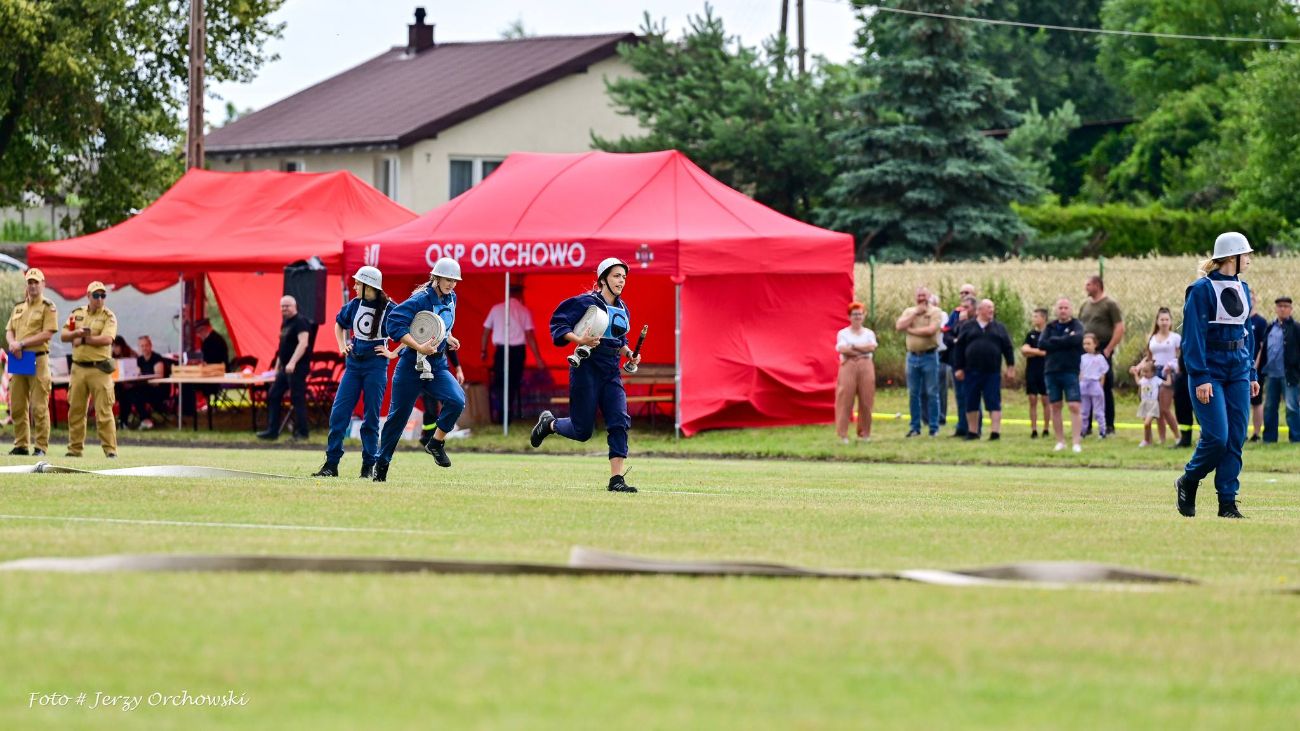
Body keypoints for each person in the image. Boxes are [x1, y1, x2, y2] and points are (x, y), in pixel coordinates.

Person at [530, 257, 642, 493]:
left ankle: (616, 480)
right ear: (603, 279)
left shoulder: (624, 308)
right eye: (616, 276)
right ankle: (549, 424)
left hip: (611, 371)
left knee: (619, 421)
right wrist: (579, 340)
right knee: (582, 432)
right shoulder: (586, 302)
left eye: (624, 276)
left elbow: (620, 340)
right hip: (586, 367)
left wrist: (630, 353)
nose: (621, 280)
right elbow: (558, 323)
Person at [1176, 231, 1259, 519]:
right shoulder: (1201, 290)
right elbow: (1192, 337)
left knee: (1235, 437)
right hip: (1210, 368)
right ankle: (1189, 478)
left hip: (1238, 368)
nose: (1249, 258)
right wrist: (1199, 376)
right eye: (1245, 254)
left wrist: (1251, 372)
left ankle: (1227, 503)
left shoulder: (1243, 288)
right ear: (1232, 257)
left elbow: (1246, 333)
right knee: (1217, 437)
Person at [372, 257, 467, 482]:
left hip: (437, 364)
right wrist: (418, 346)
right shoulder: (420, 299)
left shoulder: (452, 298)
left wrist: (450, 338)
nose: (452, 284)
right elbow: (394, 323)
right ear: (436, 277)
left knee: (456, 400)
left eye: (455, 280)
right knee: (398, 418)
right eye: (447, 279)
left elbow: (439, 324)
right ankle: (381, 464)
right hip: (410, 366)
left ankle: (435, 442)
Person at [314, 266, 398, 478]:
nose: (354, 286)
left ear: (369, 287)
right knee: (338, 415)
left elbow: (412, 330)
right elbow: (339, 324)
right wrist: (342, 346)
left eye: (358, 283)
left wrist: (393, 353)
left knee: (371, 418)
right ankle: (331, 466)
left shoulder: (390, 308)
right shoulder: (353, 305)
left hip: (376, 367)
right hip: (353, 366)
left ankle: (368, 466)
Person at [61, 281, 119, 458]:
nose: (100, 299)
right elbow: (64, 335)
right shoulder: (76, 314)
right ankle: (74, 449)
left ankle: (110, 451)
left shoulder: (109, 316)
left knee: (104, 411)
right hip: (78, 369)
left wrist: (84, 340)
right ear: (88, 296)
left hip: (99, 369)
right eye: (96, 295)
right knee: (76, 411)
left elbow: (108, 339)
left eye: (103, 295)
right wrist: (76, 334)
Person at [5, 267, 57, 456]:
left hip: (37, 358)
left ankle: (40, 447)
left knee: (39, 406)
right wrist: (12, 344)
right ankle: (21, 444)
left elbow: (47, 333)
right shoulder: (18, 308)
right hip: (18, 358)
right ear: (26, 285)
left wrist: (21, 343)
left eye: (36, 282)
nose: (33, 285)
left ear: (43, 284)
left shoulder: (48, 307)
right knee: (17, 404)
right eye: (30, 282)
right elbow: (9, 330)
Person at [481, 280, 546, 422]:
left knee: (500, 383)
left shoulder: (496, 308)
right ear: (519, 294)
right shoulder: (524, 310)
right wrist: (538, 358)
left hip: (501, 351)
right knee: (513, 383)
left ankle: (501, 413)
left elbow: (486, 331)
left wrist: (483, 350)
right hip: (517, 352)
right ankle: (509, 412)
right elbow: (530, 336)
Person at [952, 299, 1014, 440]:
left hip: (992, 372)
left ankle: (995, 432)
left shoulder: (999, 328)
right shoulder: (968, 327)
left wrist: (1011, 366)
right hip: (971, 371)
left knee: (993, 401)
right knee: (971, 401)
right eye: (988, 308)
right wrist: (958, 368)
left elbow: (1008, 348)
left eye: (992, 307)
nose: (991, 310)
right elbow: (959, 348)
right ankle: (973, 432)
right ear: (979, 310)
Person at [256, 296, 312, 440]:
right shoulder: (285, 323)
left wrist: (293, 362)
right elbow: (282, 347)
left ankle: (302, 432)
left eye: (287, 306)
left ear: (295, 306)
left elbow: (303, 343)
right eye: (282, 306)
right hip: (284, 368)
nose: (284, 309)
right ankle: (272, 431)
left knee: (297, 398)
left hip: (297, 367)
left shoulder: (301, 321)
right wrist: (277, 367)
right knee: (273, 395)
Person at [895, 286, 945, 437]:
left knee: (932, 392)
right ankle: (915, 427)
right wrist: (915, 314)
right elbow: (899, 326)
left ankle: (933, 427)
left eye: (924, 295)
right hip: (912, 357)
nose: (921, 298)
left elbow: (930, 331)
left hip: (929, 356)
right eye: (919, 296)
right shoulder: (909, 311)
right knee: (913, 393)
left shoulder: (935, 312)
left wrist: (910, 331)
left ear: (929, 297)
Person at [1079, 275, 1125, 435]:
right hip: (1086, 350)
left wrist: (1108, 349)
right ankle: (1087, 426)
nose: (1086, 287)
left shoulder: (1109, 304)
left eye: (1089, 284)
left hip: (1103, 349)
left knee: (1103, 387)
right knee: (1085, 387)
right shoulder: (1085, 305)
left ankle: (1108, 425)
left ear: (1097, 285)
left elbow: (1119, 328)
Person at [1041, 298, 1085, 453]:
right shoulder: (1050, 327)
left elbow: (1077, 339)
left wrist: (1055, 342)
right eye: (1060, 307)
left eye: (1066, 307)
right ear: (1056, 310)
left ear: (1070, 309)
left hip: (1070, 370)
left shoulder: (1077, 325)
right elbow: (1042, 343)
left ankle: (1076, 442)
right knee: (1055, 406)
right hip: (1051, 370)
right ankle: (1060, 441)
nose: (1063, 310)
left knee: (1074, 405)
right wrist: (1065, 341)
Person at [1256, 296, 1300, 444]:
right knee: (1269, 407)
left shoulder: (1296, 328)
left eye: (1286, 306)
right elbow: (1264, 350)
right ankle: (1269, 439)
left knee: (1292, 407)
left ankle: (1296, 438)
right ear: (1275, 308)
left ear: (1291, 309)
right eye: (1280, 306)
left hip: (1289, 375)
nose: (1282, 309)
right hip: (1271, 375)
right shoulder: (1270, 328)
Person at [834, 301, 877, 443]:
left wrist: (853, 346)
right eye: (854, 314)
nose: (857, 317)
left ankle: (865, 433)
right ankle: (843, 434)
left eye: (860, 314)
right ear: (849, 317)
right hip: (848, 365)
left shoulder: (869, 333)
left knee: (866, 399)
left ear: (863, 316)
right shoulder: (843, 333)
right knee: (845, 398)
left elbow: (871, 347)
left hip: (866, 364)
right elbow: (842, 349)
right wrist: (861, 348)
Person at [944, 294, 978, 436]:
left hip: (973, 364)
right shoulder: (956, 319)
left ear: (974, 309)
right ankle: (962, 426)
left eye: (966, 307)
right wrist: (955, 340)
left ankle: (975, 428)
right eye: (962, 306)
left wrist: (963, 325)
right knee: (960, 395)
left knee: (973, 396)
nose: (963, 310)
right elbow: (947, 335)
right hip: (957, 363)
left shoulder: (978, 322)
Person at [1147, 307, 1182, 444]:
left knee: (1165, 408)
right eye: (1161, 319)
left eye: (1167, 319)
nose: (1164, 322)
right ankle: (1162, 439)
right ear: (1157, 321)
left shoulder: (1175, 338)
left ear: (1170, 321)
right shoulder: (1152, 338)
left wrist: (1173, 366)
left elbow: (1180, 357)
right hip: (1154, 373)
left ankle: (1178, 436)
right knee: (1157, 410)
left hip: (1168, 373)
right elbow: (1149, 357)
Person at [127, 335, 169, 429]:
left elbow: (158, 378)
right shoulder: (139, 360)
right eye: (141, 346)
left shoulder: (157, 359)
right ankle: (124, 421)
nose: (144, 348)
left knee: (135, 393)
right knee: (128, 392)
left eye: (146, 345)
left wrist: (143, 380)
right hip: (143, 388)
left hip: (158, 390)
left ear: (151, 346)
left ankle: (145, 419)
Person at [1022, 308, 1049, 438]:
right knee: (1032, 399)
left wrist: (1032, 352)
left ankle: (1046, 428)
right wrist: (1038, 351)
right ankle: (1033, 429)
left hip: (1045, 370)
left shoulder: (1049, 334)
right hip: (1032, 371)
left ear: (1043, 318)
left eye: (1036, 316)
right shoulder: (1030, 334)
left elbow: (1048, 353)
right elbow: (1024, 350)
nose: (1034, 319)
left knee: (1046, 399)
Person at [1130, 359, 1168, 447]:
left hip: (1153, 404)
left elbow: (1167, 383)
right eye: (1143, 371)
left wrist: (1169, 374)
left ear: (1153, 372)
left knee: (1147, 423)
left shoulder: (1156, 379)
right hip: (1144, 404)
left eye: (1146, 372)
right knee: (1147, 424)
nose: (1144, 374)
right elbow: (1138, 382)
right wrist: (1135, 374)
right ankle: (1149, 440)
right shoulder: (1143, 379)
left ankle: (1146, 440)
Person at [1079, 333, 1109, 439]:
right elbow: (1080, 371)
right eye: (1084, 344)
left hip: (1095, 383)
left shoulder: (1100, 358)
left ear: (1095, 344)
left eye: (1089, 343)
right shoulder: (1082, 358)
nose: (1086, 346)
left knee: (1098, 410)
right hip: (1084, 384)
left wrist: (1101, 385)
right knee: (1084, 410)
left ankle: (1102, 431)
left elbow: (1103, 372)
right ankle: (1082, 430)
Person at [1248, 304, 1268, 441]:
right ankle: (1240, 434)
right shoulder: (1237, 320)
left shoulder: (1260, 322)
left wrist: (1254, 367)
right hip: (1239, 369)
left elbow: (1262, 346)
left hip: (1254, 370)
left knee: (1256, 401)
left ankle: (1256, 433)